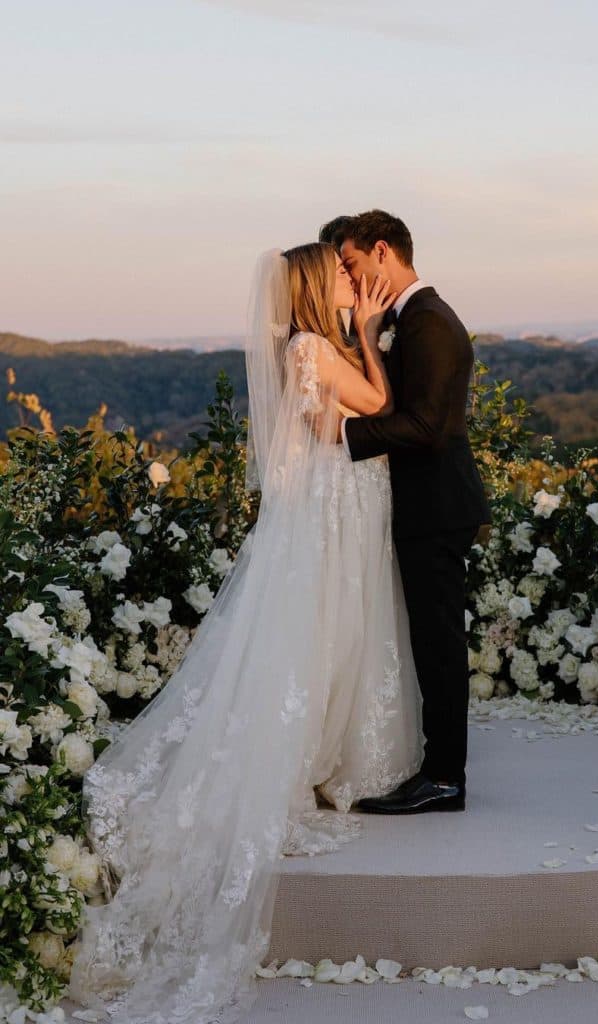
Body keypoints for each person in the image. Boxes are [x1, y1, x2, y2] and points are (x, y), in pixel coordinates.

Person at [67, 242, 423, 1024]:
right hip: (334, 508)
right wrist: (366, 329)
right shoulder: (313, 347)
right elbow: (377, 404)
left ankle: (326, 750)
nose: (347, 278)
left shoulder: (305, 345)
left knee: (334, 630)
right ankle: (309, 760)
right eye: (336, 272)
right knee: (317, 632)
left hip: (343, 505)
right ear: (310, 286)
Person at [338, 210, 491, 814]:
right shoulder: (411, 319)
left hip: (437, 504)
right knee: (431, 640)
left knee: (439, 644)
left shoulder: (426, 322)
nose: (349, 277)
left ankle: (445, 778)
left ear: (382, 251)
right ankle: (438, 768)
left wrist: (343, 437)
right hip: (430, 502)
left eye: (351, 264)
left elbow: (426, 426)